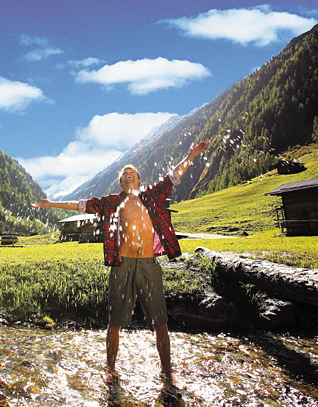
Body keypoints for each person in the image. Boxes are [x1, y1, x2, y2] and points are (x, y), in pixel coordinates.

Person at [31, 142, 206, 384]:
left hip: (148, 263)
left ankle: (167, 372)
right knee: (116, 321)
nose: (128, 172)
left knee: (160, 321)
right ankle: (110, 369)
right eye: (124, 173)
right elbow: (80, 205)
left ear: (139, 179)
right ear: (121, 183)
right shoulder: (111, 201)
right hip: (122, 264)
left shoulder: (151, 195)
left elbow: (174, 175)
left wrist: (192, 154)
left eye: (131, 171)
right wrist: (51, 204)